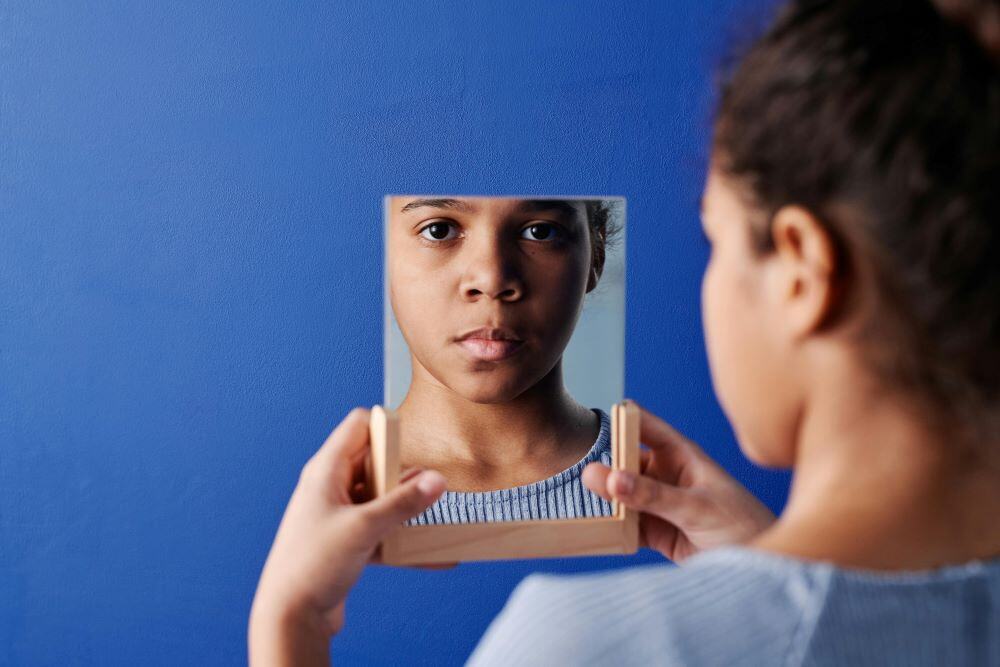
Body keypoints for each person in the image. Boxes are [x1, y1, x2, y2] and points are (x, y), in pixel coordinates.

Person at [248, 0, 1000, 664]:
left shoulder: (593, 645)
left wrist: (291, 623)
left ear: (801, 269)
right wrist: (764, 562)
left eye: (718, 241)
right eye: (440, 229)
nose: (491, 277)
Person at [386, 196, 620, 524]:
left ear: (597, 254)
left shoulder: (662, 482)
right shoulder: (329, 495)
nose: (492, 280)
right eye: (439, 231)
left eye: (540, 232)